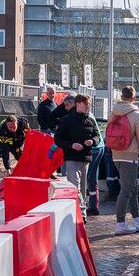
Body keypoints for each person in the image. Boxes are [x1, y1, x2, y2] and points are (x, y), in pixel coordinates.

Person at [110, 86, 139, 235]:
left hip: (116, 154)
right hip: (130, 156)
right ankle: (120, 224)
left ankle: (137, 219)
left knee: (133, 188)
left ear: (122, 96)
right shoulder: (136, 114)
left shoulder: (113, 112)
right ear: (134, 97)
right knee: (127, 190)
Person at [54, 94, 100, 222]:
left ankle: (79, 212)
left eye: (89, 105)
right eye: (87, 105)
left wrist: (92, 141)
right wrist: (71, 145)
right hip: (71, 158)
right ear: (78, 104)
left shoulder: (90, 120)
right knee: (75, 186)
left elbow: (97, 137)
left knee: (82, 188)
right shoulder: (67, 120)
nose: (88, 107)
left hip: (85, 159)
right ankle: (82, 214)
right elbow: (58, 139)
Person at [0, 115, 29, 189]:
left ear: (17, 123)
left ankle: (28, 179)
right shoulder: (1, 131)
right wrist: (8, 168)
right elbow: (5, 151)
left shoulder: (23, 124)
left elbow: (30, 136)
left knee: (22, 159)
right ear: (6, 125)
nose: (13, 129)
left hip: (15, 142)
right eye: (10, 127)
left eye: (14, 127)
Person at [86, 111, 105, 216]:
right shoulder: (89, 113)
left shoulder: (84, 115)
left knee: (90, 178)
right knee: (93, 177)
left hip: (94, 148)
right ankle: (94, 204)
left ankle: (93, 206)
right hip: (99, 147)